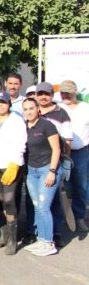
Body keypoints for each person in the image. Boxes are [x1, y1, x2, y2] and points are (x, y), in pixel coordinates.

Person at [0, 92, 27, 255]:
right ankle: (3, 236)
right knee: (0, 200)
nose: (0, 105)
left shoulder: (16, 120)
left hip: (11, 164)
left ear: (9, 104)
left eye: (3, 102)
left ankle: (13, 240)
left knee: (9, 200)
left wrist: (15, 163)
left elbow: (21, 142)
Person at [22, 98, 61, 256]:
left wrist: (52, 171)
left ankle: (49, 243)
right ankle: (42, 239)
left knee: (44, 207)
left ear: (38, 109)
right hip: (32, 171)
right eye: (25, 109)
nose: (29, 112)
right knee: (37, 205)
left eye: (31, 108)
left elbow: (56, 149)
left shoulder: (47, 125)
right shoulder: (23, 127)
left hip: (47, 170)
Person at [35, 81, 72, 245]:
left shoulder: (62, 113)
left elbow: (68, 141)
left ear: (52, 95)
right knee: (35, 201)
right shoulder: (32, 112)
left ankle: (56, 233)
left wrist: (63, 162)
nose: (43, 97)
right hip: (34, 163)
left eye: (47, 94)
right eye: (40, 93)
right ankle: (36, 232)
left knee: (55, 200)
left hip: (53, 164)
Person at [58, 80, 89, 232]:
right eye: (63, 92)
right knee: (63, 187)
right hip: (61, 153)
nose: (65, 95)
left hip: (81, 153)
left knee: (80, 186)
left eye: (68, 92)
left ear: (75, 91)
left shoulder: (86, 108)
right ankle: (64, 219)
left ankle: (80, 217)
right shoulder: (58, 108)